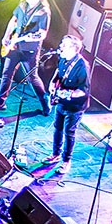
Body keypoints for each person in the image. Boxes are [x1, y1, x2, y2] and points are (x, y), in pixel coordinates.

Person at [0, 0, 52, 112]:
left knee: (32, 77)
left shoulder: (43, 11)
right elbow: (13, 20)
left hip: (30, 49)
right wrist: (6, 36)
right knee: (7, 73)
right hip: (15, 46)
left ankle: (44, 101)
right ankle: (0, 102)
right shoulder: (22, 4)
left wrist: (28, 37)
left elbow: (42, 34)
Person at [45, 31, 91, 167]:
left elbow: (84, 90)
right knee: (57, 128)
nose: (60, 47)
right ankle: (55, 154)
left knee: (69, 132)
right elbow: (58, 73)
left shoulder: (83, 66)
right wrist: (52, 83)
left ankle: (66, 161)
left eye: (64, 45)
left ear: (73, 48)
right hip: (61, 102)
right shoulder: (63, 59)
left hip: (75, 107)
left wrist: (67, 94)